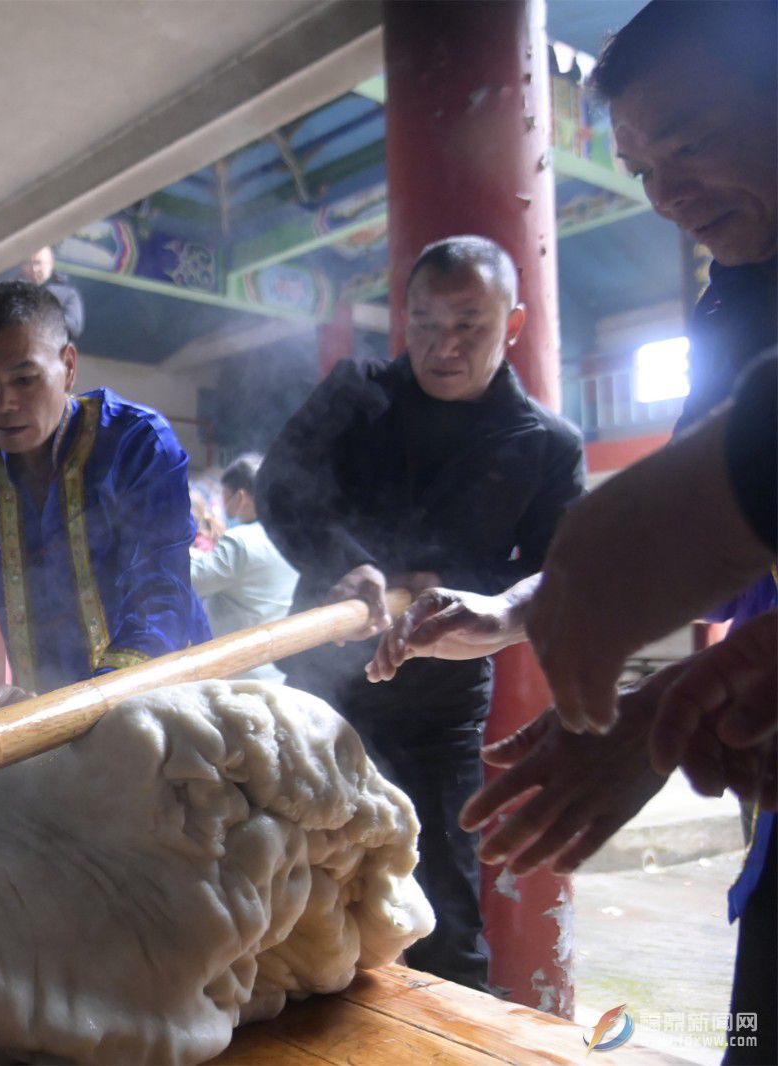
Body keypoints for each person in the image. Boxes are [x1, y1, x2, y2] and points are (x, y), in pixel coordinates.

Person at [367, 3, 775, 1054]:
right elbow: (705, 558)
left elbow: (690, 526)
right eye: (642, 169)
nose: (667, 194)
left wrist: (669, 706)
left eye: (688, 142)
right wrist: (509, 608)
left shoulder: (541, 430)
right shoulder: (737, 294)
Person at [254, 235, 586, 992]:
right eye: (426, 323)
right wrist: (346, 562)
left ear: (514, 321)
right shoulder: (356, 392)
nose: (444, 345)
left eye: (469, 323)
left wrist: (465, 585)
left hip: (441, 710)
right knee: (293, 891)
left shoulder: (546, 446)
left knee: (443, 907)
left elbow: (555, 570)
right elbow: (283, 486)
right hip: (322, 690)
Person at [0, 280, 209, 715]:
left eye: (24, 379)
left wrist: (91, 707)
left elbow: (161, 599)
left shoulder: (137, 443)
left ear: (68, 367)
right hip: (44, 711)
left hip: (164, 699)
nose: (1, 402)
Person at [188, 455, 298, 682]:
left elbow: (191, 581)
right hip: (275, 668)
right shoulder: (292, 537)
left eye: (224, 494)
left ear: (240, 497)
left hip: (237, 674)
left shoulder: (240, 542)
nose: (221, 500)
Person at [20, 245, 85, 341]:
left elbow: (74, 328)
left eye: (38, 263)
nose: (34, 269)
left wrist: (43, 316)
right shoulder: (8, 287)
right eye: (28, 263)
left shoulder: (67, 294)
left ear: (51, 263)